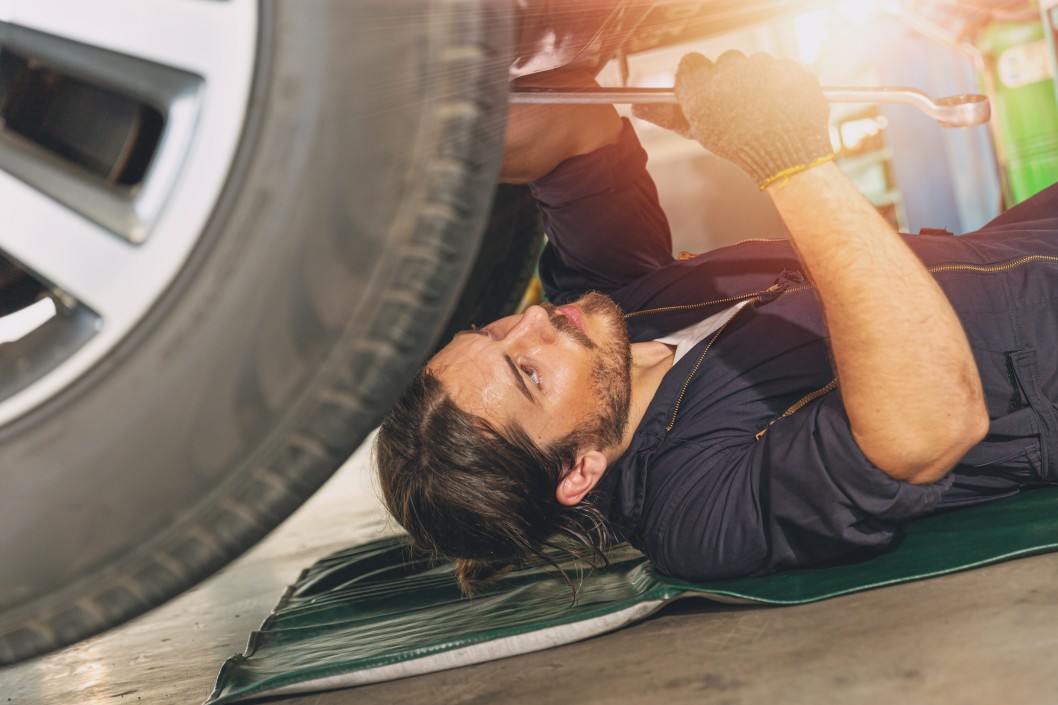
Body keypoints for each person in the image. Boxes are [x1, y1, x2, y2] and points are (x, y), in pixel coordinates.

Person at [375, 52, 1058, 593]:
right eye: (526, 372)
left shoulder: (610, 313)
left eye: (491, 332)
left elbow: (560, 125)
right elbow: (930, 424)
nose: (530, 321)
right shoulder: (694, 509)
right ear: (579, 471)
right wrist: (786, 158)